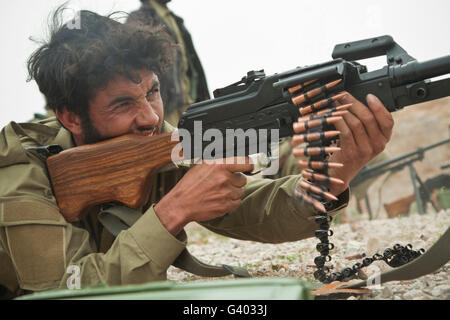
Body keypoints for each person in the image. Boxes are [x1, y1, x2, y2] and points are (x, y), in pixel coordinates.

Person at [0, 9, 393, 298]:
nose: (150, 116)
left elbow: (251, 209)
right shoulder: (20, 174)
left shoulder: (153, 139)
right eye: (122, 104)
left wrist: (330, 177)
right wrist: (173, 212)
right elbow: (64, 291)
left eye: (152, 91)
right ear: (70, 116)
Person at [127, 0, 210, 127]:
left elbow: (190, 65)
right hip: (167, 105)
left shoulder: (175, 20)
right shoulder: (139, 19)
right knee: (173, 144)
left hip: (191, 102)